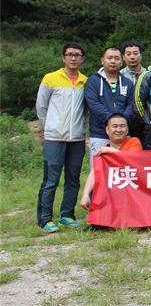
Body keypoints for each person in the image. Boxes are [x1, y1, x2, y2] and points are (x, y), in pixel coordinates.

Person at [36, 43, 88, 233]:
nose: (73, 58)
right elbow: (41, 106)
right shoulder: (50, 78)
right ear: (63, 57)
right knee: (51, 179)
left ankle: (67, 214)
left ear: (82, 59)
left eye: (77, 55)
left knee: (73, 178)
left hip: (77, 139)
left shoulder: (85, 81)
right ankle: (44, 218)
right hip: (54, 138)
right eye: (69, 54)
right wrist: (49, 128)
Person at [79, 114, 142, 211]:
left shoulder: (134, 142)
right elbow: (95, 172)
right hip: (112, 196)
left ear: (127, 130)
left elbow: (132, 159)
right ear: (107, 130)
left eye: (122, 126)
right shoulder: (104, 150)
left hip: (133, 194)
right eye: (115, 126)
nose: (119, 130)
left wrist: (111, 151)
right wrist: (85, 194)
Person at [84, 46, 135, 167]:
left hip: (122, 134)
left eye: (117, 58)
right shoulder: (93, 81)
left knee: (124, 168)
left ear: (122, 61)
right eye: (109, 58)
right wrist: (112, 121)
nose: (113, 61)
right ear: (102, 60)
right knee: (98, 169)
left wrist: (120, 124)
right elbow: (93, 104)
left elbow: (132, 104)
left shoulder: (127, 82)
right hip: (100, 133)